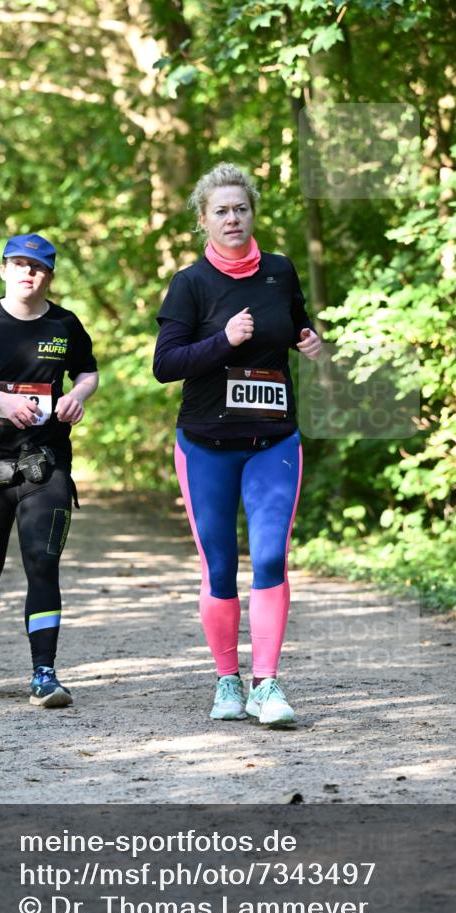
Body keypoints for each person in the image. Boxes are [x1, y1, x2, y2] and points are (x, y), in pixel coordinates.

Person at [153, 163, 321, 727]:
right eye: (221, 211)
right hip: (206, 443)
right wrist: (221, 341)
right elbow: (165, 365)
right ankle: (228, 682)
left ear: (252, 214)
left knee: (271, 555)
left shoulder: (279, 271)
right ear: (204, 220)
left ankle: (266, 685)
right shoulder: (190, 284)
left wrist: (308, 339)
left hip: (273, 439)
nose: (233, 218)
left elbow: (294, 325)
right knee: (220, 564)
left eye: (241, 208)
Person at [0, 233, 98, 707]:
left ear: (49, 275)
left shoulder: (65, 325)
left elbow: (87, 371)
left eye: (40, 266)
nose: (30, 273)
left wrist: (76, 396)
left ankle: (44, 674)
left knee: (42, 564)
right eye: (20, 264)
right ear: (4, 269)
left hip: (45, 468)